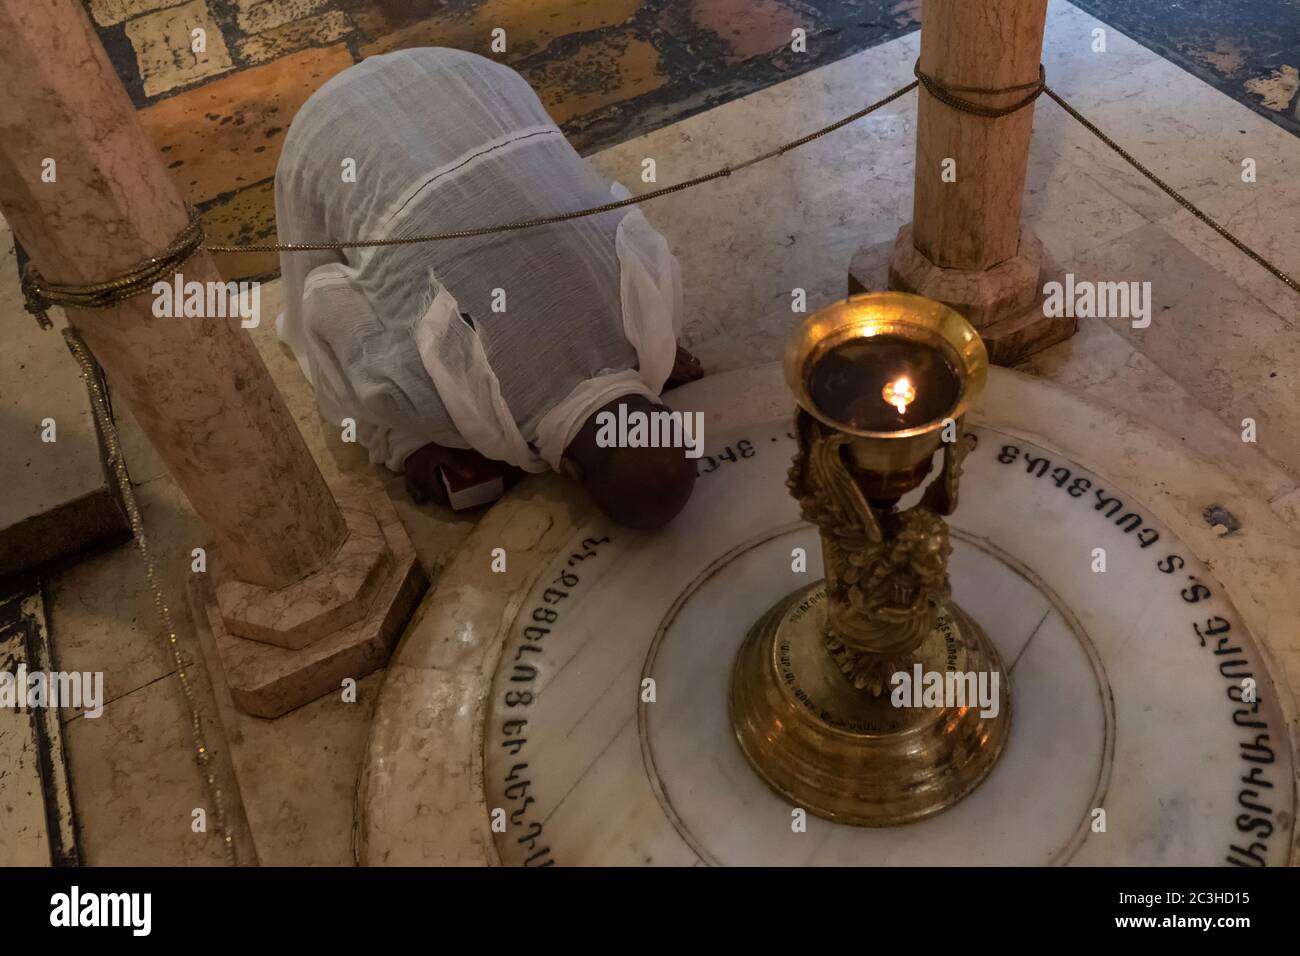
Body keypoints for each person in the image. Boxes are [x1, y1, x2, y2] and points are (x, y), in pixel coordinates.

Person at [274, 47, 702, 529]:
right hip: (325, 139)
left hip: (471, 78)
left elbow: (606, 204)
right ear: (574, 473)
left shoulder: (656, 298)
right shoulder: (434, 399)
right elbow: (323, 298)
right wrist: (409, 440)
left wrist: (653, 355)